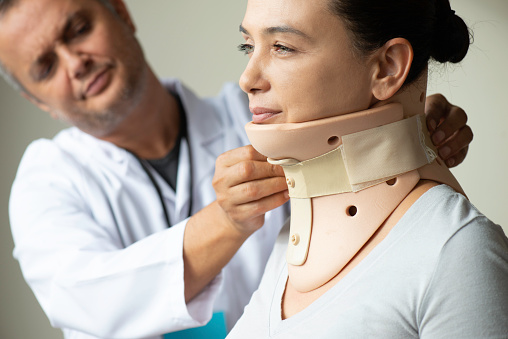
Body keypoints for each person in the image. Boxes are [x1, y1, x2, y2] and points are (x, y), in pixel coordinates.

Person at [0, 0, 472, 338]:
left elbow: (351, 122)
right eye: (44, 67)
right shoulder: (47, 181)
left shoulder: (259, 118)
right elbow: (85, 299)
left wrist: (409, 125)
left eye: (78, 28)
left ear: (121, 12)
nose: (75, 63)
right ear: (34, 97)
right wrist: (224, 222)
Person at [227, 0, 508, 338]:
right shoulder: (293, 240)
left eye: (282, 47)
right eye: (248, 46)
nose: (247, 79)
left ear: (387, 68)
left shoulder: (456, 251)